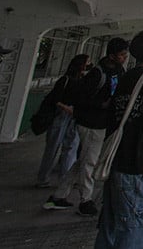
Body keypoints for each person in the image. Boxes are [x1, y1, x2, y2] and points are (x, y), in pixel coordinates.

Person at [94, 29, 143, 249]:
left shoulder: (125, 76)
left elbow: (113, 118)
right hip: (137, 164)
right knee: (135, 226)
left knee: (110, 223)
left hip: (116, 158)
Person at [45, 37, 129, 216]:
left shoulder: (118, 71)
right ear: (112, 55)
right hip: (91, 123)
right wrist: (101, 105)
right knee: (89, 162)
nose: (125, 58)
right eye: (122, 55)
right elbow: (81, 98)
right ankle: (86, 200)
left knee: (84, 160)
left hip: (103, 123)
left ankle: (58, 196)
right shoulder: (97, 74)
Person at [35, 54, 90, 188]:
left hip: (74, 116)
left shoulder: (83, 80)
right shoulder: (64, 80)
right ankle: (43, 178)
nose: (89, 65)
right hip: (61, 116)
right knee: (52, 148)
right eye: (87, 63)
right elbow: (55, 100)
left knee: (71, 148)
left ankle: (65, 179)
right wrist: (67, 108)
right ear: (80, 64)